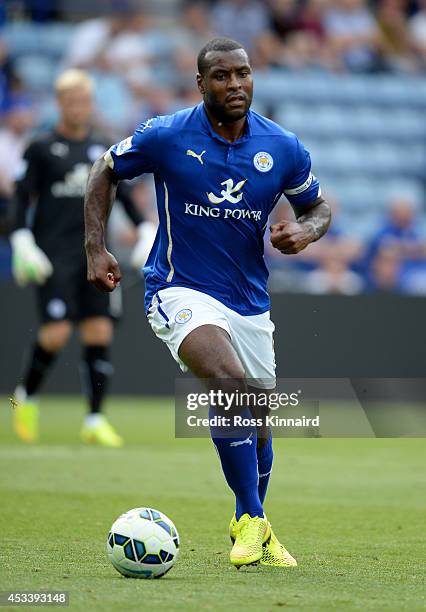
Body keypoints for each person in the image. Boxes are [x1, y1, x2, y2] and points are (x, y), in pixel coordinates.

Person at [84, 38, 331, 568]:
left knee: (258, 419)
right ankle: (249, 518)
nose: (236, 85)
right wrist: (95, 245)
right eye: (222, 76)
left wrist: (306, 233)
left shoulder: (282, 146)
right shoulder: (167, 134)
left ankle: (258, 531)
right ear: (201, 84)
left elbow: (318, 207)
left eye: (243, 74)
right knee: (227, 382)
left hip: (249, 302)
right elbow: (103, 170)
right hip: (178, 287)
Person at [10, 69, 156, 447]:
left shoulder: (102, 150)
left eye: (84, 101)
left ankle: (94, 418)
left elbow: (121, 195)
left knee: (99, 331)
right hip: (54, 255)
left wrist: (144, 228)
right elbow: (21, 196)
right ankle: (25, 397)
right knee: (57, 333)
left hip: (96, 255)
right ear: (60, 104)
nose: (79, 108)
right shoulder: (41, 148)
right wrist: (22, 238)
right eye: (71, 101)